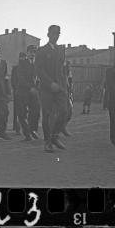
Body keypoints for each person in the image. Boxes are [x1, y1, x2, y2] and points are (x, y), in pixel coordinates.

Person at [35, 25, 68, 153]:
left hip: (60, 87)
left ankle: (55, 136)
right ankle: (47, 142)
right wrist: (50, 83)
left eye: (58, 34)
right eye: (54, 34)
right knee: (47, 115)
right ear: (48, 35)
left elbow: (62, 70)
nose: (56, 36)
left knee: (64, 111)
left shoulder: (60, 51)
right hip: (46, 88)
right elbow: (39, 70)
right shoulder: (42, 51)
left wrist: (64, 85)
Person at [15, 45, 40, 141]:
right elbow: (21, 78)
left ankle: (33, 130)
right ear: (27, 53)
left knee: (36, 111)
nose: (33, 54)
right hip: (22, 92)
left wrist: (37, 87)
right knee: (22, 114)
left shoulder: (37, 64)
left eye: (34, 52)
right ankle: (27, 134)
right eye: (31, 52)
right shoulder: (22, 64)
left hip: (33, 92)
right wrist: (30, 87)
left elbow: (38, 78)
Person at [11, 52, 26, 134]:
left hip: (26, 92)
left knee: (25, 110)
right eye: (21, 57)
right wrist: (15, 89)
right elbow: (13, 81)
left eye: (24, 57)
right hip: (17, 92)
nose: (22, 59)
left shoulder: (28, 68)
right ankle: (17, 127)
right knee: (17, 110)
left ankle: (24, 127)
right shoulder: (15, 68)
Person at [61, 60, 73, 137]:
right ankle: (57, 130)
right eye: (67, 66)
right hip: (61, 94)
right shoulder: (61, 74)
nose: (69, 67)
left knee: (69, 112)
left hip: (67, 94)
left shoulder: (69, 74)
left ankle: (63, 127)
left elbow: (70, 84)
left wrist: (70, 93)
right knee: (61, 112)